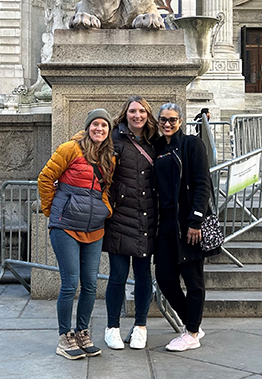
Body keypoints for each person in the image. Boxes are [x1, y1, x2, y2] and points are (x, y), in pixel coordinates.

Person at [38, 109, 115, 360]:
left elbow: (105, 189)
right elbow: (45, 178)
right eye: (95, 124)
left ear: (108, 130)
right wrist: (52, 209)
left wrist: (105, 208)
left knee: (90, 284)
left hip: (94, 228)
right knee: (70, 283)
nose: (99, 129)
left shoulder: (108, 158)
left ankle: (82, 332)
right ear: (88, 126)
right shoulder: (69, 149)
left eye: (104, 125)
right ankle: (64, 336)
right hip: (66, 226)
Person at [154, 102, 220, 352]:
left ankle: (191, 332)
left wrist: (196, 221)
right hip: (166, 222)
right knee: (165, 277)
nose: (167, 124)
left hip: (189, 223)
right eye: (163, 120)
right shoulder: (159, 147)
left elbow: (203, 184)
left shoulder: (192, 145)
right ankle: (192, 323)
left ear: (180, 121)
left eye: (172, 120)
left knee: (193, 279)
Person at [103, 95, 159, 350]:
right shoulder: (113, 138)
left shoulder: (155, 141)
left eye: (142, 111)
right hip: (119, 217)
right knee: (117, 275)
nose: (137, 116)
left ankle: (140, 326)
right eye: (133, 111)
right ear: (125, 114)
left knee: (144, 274)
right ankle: (112, 327)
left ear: (148, 115)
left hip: (147, 216)